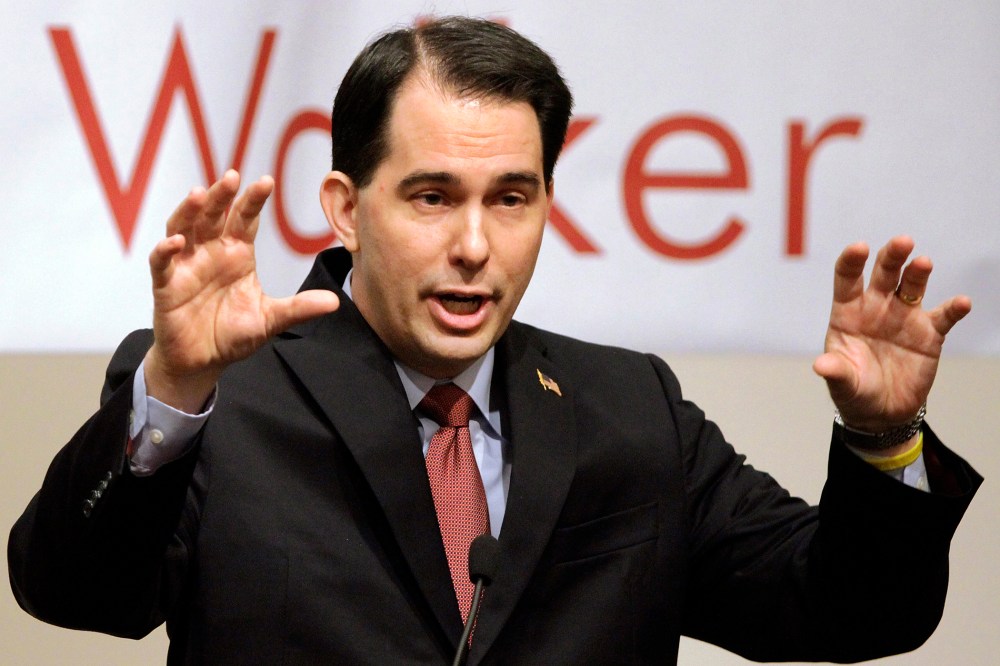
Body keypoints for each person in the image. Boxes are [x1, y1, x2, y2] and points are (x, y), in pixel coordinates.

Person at [9, 16, 981, 665]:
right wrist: (175, 390)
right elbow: (73, 592)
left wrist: (881, 441)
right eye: (432, 197)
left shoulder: (630, 409)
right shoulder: (221, 399)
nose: (475, 246)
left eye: (510, 199)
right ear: (345, 209)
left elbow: (848, 612)